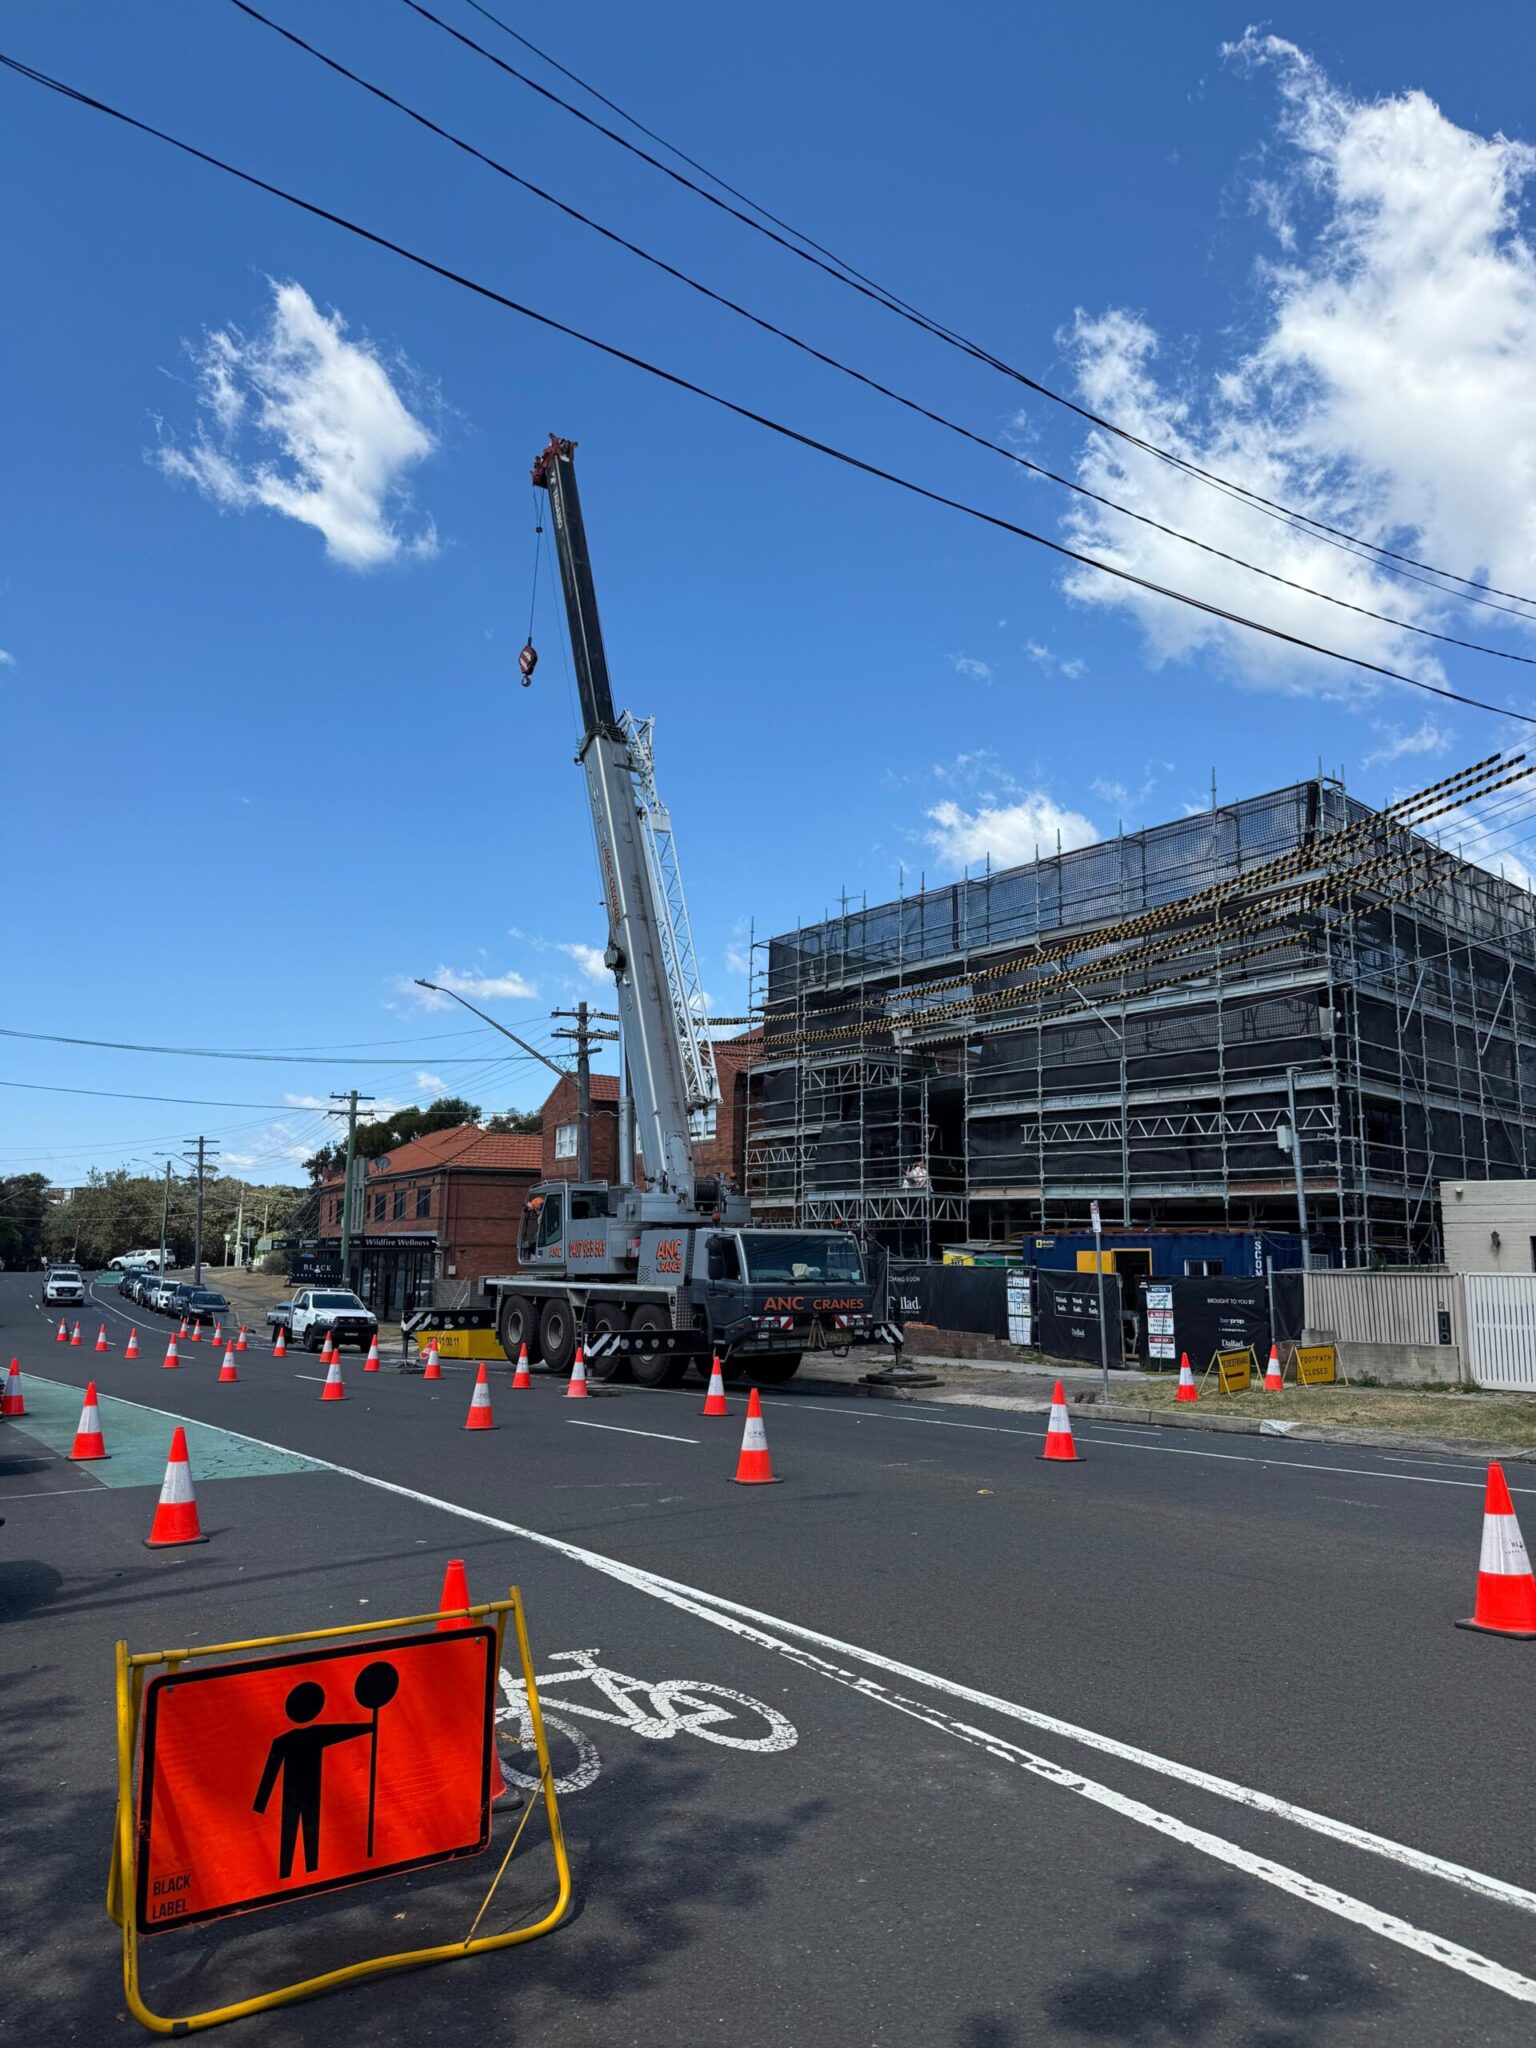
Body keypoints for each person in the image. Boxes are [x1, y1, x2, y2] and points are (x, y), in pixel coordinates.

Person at [252, 1681, 371, 1880]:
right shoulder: (314, 1734)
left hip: (295, 1792)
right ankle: (308, 1868)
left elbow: (270, 1772)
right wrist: (370, 1726)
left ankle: (292, 1871)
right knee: (308, 1827)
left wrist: (260, 1805)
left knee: (293, 1829)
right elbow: (341, 1731)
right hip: (307, 1790)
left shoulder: (284, 1740)